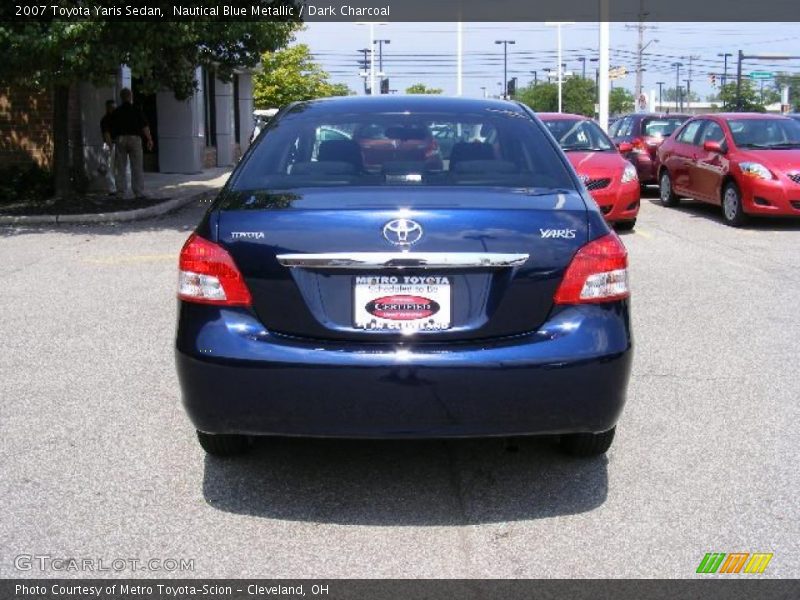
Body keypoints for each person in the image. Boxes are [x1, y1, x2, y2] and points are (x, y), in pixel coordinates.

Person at [110, 88, 153, 200]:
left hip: (120, 139)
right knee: (137, 166)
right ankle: (138, 192)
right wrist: (149, 139)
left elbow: (111, 128)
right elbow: (144, 126)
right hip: (135, 139)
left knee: (120, 167)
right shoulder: (137, 109)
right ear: (130, 96)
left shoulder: (117, 111)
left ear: (121, 97)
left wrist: (113, 140)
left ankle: (120, 192)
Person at [100, 99, 116, 194]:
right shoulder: (106, 120)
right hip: (111, 144)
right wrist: (110, 146)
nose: (113, 109)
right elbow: (106, 134)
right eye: (112, 107)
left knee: (111, 167)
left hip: (113, 144)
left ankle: (113, 189)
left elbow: (106, 134)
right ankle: (113, 189)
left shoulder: (106, 119)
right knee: (111, 168)